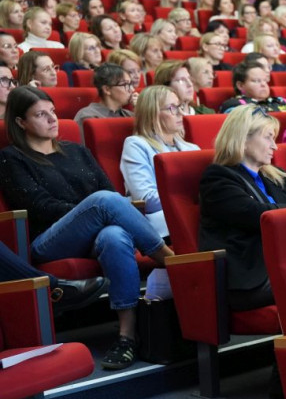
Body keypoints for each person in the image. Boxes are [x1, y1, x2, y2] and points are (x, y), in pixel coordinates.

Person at [0, 86, 174, 368]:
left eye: (53, 112)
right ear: (21, 122)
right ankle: (171, 260)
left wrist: (94, 214)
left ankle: (126, 337)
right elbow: (39, 205)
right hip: (49, 239)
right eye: (40, 115)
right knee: (104, 202)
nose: (52, 119)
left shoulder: (77, 151)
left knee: (115, 236)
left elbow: (107, 192)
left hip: (95, 232)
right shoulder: (11, 158)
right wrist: (89, 212)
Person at [198, 105, 286, 310]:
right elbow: (256, 216)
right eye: (268, 137)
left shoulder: (275, 175)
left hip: (285, 262)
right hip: (252, 276)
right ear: (243, 139)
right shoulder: (218, 178)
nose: (275, 146)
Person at [121, 85, 201, 238]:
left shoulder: (192, 148)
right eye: (172, 108)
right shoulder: (136, 145)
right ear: (152, 114)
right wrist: (189, 198)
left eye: (180, 106)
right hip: (162, 224)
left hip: (197, 217)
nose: (181, 113)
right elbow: (144, 198)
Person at [218, 60, 286, 113]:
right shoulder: (235, 106)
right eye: (257, 81)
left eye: (265, 80)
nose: (263, 84)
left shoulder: (281, 101)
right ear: (241, 85)